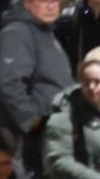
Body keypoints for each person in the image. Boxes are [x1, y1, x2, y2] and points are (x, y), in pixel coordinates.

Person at [0, 0, 73, 174]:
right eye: (44, 1)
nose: (50, 7)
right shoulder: (18, 32)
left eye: (54, 1)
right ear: (28, 3)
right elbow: (10, 83)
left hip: (51, 129)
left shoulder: (45, 31)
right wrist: (30, 120)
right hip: (31, 137)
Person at [44, 49, 100, 179]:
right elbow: (58, 161)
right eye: (86, 82)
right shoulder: (66, 109)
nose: (92, 88)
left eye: (98, 82)